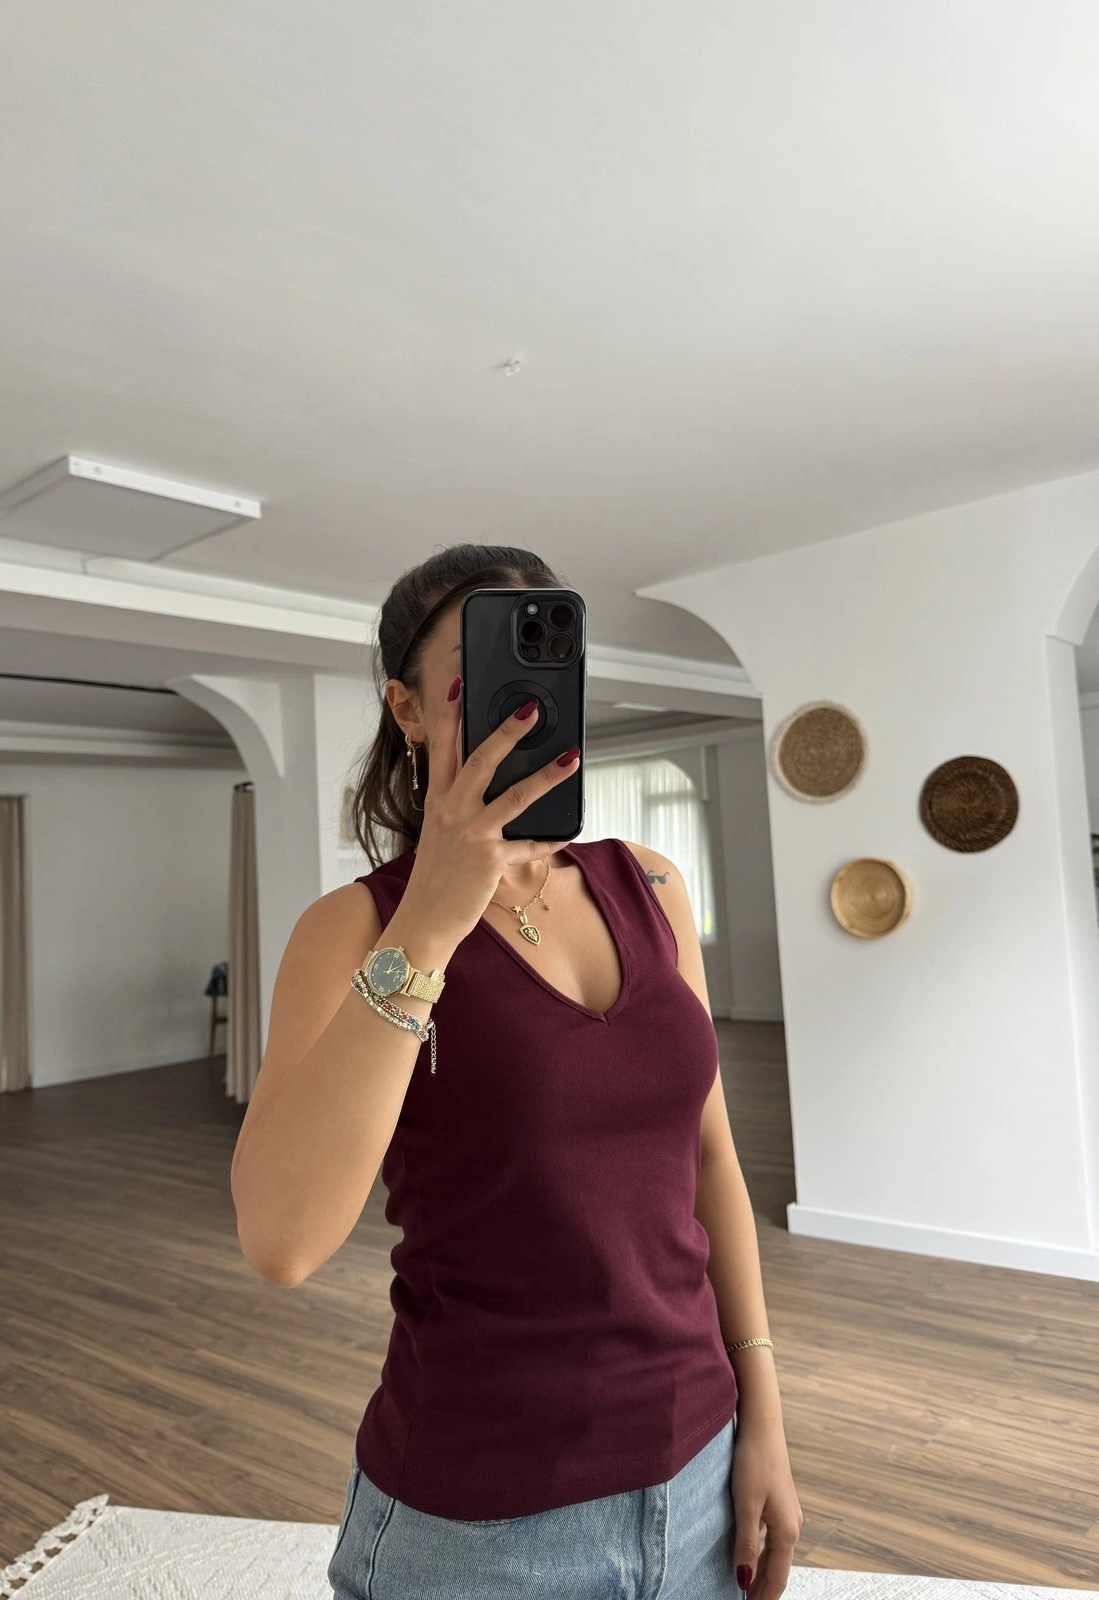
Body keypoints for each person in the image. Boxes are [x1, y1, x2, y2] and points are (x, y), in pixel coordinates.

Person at [230, 544, 803, 1599]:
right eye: (483, 683)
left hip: (701, 1471)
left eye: (549, 677)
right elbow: (282, 1241)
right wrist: (432, 920)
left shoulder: (653, 885)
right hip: (480, 1521)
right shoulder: (351, 929)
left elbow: (711, 1161)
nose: (525, 712)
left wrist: (762, 1413)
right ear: (408, 710)